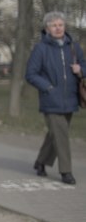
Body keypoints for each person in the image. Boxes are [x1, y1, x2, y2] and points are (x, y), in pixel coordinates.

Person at [25, 11, 83, 185]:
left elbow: (84, 65)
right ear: (47, 28)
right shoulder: (41, 48)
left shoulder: (73, 47)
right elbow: (31, 74)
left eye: (60, 25)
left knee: (55, 135)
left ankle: (41, 162)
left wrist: (80, 69)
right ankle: (66, 171)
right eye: (54, 25)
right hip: (51, 99)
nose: (58, 28)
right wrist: (48, 88)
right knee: (61, 135)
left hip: (70, 98)